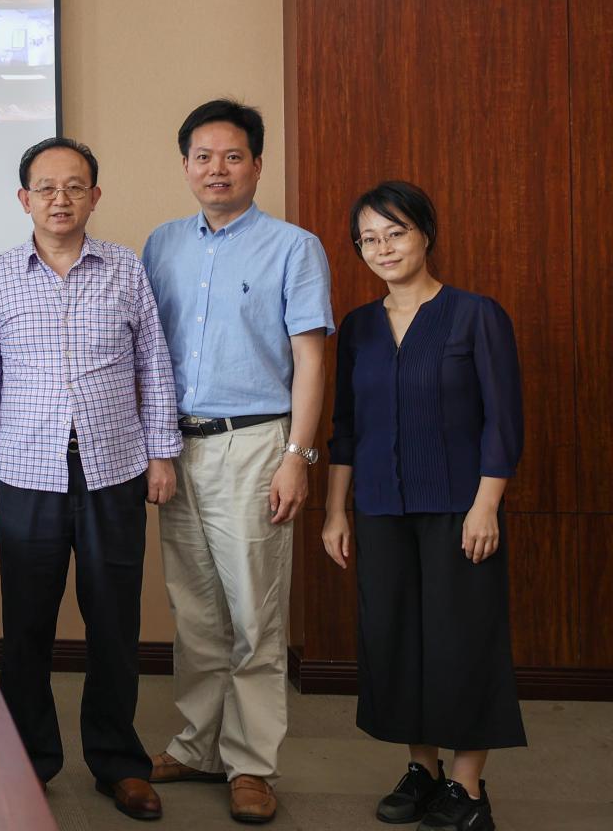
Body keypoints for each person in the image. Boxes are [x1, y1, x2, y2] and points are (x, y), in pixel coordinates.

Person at [0, 137, 177, 818]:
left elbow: (153, 363)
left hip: (114, 467)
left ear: (95, 195)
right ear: (24, 198)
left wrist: (162, 453)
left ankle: (118, 762)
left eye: (74, 186)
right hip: (25, 469)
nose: (60, 199)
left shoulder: (125, 268)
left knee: (114, 622)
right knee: (26, 626)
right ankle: (28, 760)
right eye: (46, 188)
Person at [141, 99, 333, 825]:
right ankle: (197, 745)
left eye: (232, 156)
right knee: (195, 611)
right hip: (177, 447)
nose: (216, 169)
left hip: (255, 446)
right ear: (185, 165)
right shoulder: (162, 244)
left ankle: (251, 763)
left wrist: (297, 456)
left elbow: (310, 359)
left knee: (255, 612)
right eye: (202, 157)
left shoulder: (294, 247)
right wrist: (153, 446)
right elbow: (147, 353)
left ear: (257, 164)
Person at [322, 181, 524, 831]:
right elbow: (345, 427)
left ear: (425, 234)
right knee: (395, 637)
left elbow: (503, 422)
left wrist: (486, 505)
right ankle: (423, 771)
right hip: (381, 507)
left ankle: (467, 788)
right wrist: (336, 511)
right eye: (369, 239)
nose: (383, 248)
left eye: (396, 232)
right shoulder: (358, 328)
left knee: (462, 640)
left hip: (460, 507)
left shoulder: (475, 315)